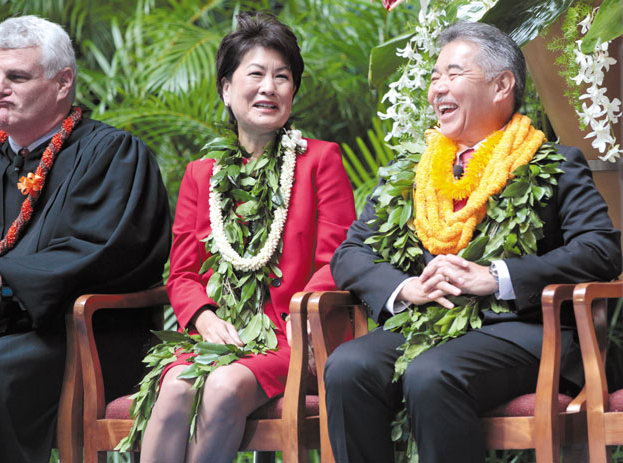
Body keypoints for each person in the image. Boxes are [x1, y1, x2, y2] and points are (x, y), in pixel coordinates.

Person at [325, 21, 622, 463]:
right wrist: (404, 289)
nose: (437, 89)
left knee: (432, 373)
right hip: (428, 323)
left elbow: (601, 249)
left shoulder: (555, 163)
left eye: (453, 74)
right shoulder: (411, 174)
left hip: (525, 331)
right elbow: (351, 252)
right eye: (433, 77)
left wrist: (497, 276)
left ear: (502, 85)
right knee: (349, 367)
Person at [137, 11, 355, 463]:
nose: (269, 88)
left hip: (294, 338)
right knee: (176, 385)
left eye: (283, 76)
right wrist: (203, 318)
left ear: (294, 90)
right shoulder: (202, 176)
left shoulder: (319, 161)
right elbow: (182, 273)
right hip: (220, 334)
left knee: (222, 384)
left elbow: (337, 259)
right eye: (255, 74)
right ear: (226, 89)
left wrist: (302, 318)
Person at [0, 15, 170, 463]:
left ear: (63, 82)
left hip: (79, 334)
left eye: (17, 76)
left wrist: (1, 280)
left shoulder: (114, 155)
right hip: (0, 328)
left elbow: (104, 250)